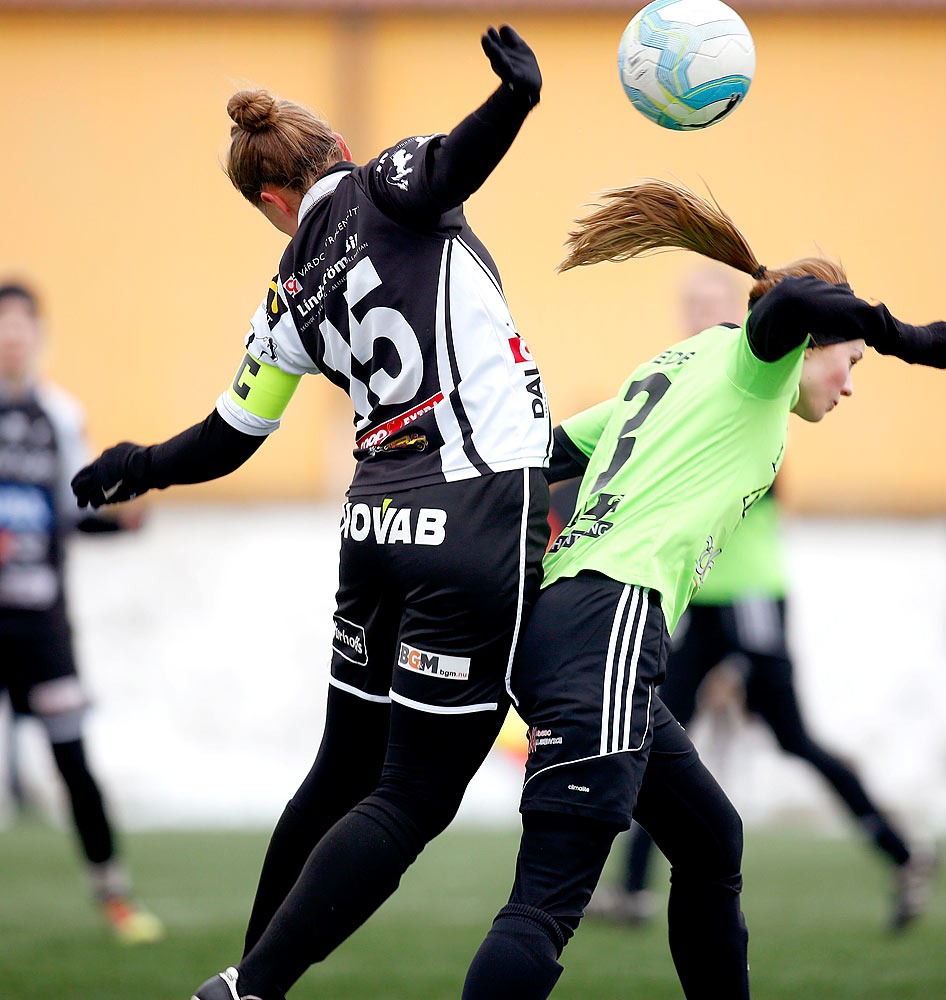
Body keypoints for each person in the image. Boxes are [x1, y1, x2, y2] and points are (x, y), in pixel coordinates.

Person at [71, 26, 552, 1000]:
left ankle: (249, 979)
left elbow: (229, 433)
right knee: (411, 797)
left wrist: (138, 466)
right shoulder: (385, 183)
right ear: (330, 154)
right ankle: (250, 987)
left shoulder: (288, 285)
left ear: (274, 201)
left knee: (341, 771)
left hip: (373, 529)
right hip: (473, 514)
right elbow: (454, 161)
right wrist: (517, 98)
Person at [460, 180, 946, 1000]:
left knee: (710, 839)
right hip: (612, 619)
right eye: (854, 360)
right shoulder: (758, 367)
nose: (853, 381)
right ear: (815, 340)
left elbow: (549, 452)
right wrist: (900, 334)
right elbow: (796, 298)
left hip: (578, 623)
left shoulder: (683, 361)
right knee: (547, 901)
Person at [590, 266, 935, 934]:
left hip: (748, 598)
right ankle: (632, 888)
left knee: (787, 735)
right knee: (655, 721)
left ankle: (903, 851)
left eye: (711, 306)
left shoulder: (757, 385)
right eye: (688, 304)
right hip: (706, 602)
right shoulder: (703, 383)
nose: (698, 316)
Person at [0, 281, 162, 944]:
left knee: (73, 763)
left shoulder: (59, 416)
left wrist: (123, 524)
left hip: (42, 626)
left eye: (22, 325)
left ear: (39, 337)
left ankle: (114, 898)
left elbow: (76, 514)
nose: (12, 336)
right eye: (2, 324)